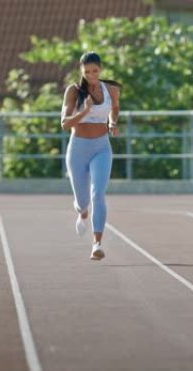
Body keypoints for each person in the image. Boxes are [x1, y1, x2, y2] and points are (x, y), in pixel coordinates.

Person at [60, 52, 121, 261]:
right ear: (81, 71)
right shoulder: (74, 91)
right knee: (83, 200)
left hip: (102, 148)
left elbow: (114, 108)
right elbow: (65, 123)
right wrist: (84, 111)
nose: (92, 75)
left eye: (95, 71)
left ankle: (97, 244)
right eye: (87, 72)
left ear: (100, 69)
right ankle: (82, 211)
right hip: (78, 148)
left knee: (98, 194)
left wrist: (112, 123)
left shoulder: (111, 89)